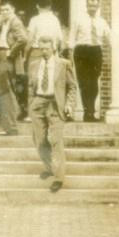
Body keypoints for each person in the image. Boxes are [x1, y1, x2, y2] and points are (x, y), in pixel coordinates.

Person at [28, 36, 78, 193]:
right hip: (38, 103)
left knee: (55, 140)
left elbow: (72, 87)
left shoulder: (63, 64)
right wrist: (31, 103)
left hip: (55, 104)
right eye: (41, 48)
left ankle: (58, 178)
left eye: (47, 48)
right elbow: (31, 86)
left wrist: (69, 105)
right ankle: (49, 168)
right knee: (40, 140)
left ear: (54, 48)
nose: (44, 51)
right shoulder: (34, 65)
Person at [0, 1, 26, 136]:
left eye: (7, 10)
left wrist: (11, 52)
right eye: (2, 10)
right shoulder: (4, 23)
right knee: (5, 91)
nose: (4, 12)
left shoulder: (15, 22)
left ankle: (11, 127)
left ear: (13, 10)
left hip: (8, 56)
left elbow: (22, 39)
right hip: (2, 56)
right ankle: (9, 126)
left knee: (7, 92)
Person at [71, 0, 112, 122]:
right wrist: (70, 51)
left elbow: (109, 38)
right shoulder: (79, 20)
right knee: (83, 82)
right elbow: (72, 37)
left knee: (93, 83)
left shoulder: (102, 22)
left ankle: (91, 111)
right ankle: (87, 112)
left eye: (94, 6)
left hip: (95, 51)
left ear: (98, 7)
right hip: (82, 51)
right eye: (90, 5)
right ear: (86, 6)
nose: (92, 8)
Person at [25, 0, 64, 114]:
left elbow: (30, 39)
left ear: (37, 6)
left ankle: (32, 111)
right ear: (50, 6)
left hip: (37, 51)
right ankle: (51, 110)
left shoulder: (35, 20)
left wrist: (25, 55)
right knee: (51, 80)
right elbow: (60, 40)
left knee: (34, 82)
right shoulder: (55, 20)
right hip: (52, 51)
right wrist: (57, 52)